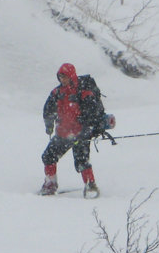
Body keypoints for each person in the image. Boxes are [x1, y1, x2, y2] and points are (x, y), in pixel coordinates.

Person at [40, 63, 110, 197]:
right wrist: (49, 124)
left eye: (64, 77)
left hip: (80, 134)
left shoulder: (83, 91)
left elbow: (92, 112)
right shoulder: (57, 92)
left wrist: (86, 130)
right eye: (60, 77)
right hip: (63, 134)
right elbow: (48, 109)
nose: (62, 80)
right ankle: (50, 184)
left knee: (82, 161)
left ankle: (90, 185)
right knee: (48, 156)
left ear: (71, 76)